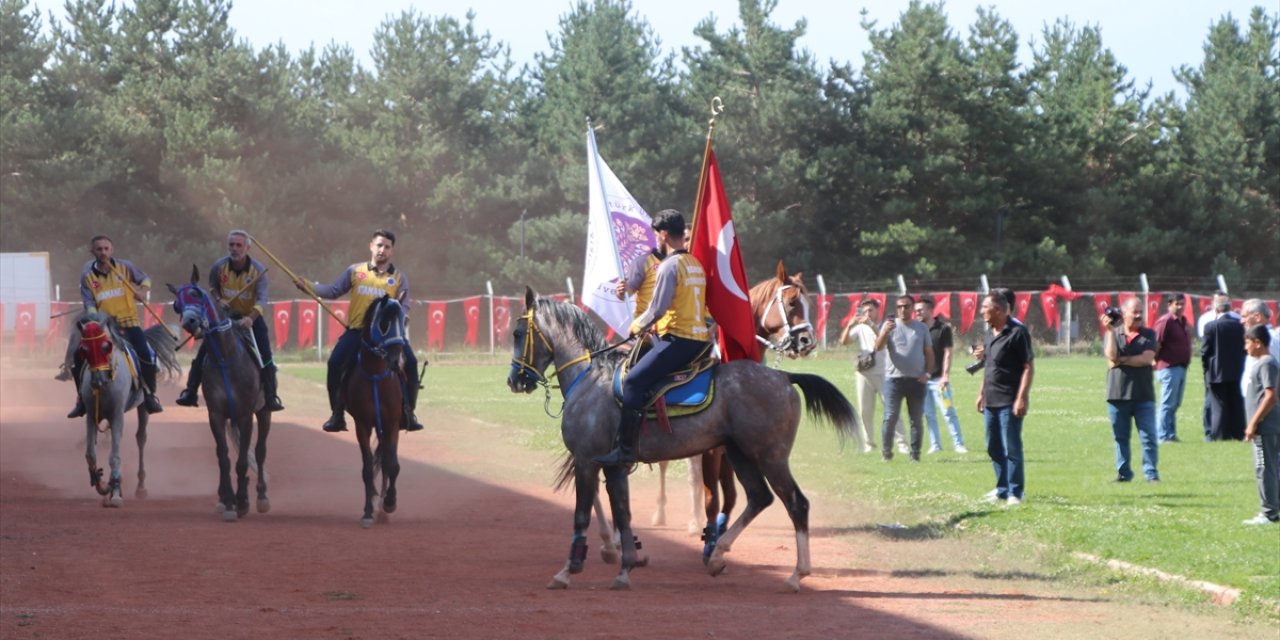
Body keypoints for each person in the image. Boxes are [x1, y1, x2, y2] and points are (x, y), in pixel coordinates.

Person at [596, 209, 709, 467]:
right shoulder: (695, 263)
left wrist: (636, 326)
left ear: (665, 234)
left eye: (657, 233)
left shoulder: (669, 266)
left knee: (633, 381)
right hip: (699, 341)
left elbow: (657, 309)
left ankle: (626, 451)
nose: (655, 238)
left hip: (677, 340)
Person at [293, 229, 423, 433]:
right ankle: (337, 413)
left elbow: (404, 306)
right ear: (371, 246)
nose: (382, 250)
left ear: (392, 252)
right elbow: (332, 290)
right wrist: (307, 285)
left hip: (387, 335)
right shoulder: (355, 271)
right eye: (379, 245)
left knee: (412, 363)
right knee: (334, 363)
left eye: (387, 247)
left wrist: (398, 316)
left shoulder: (398, 278)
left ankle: (408, 412)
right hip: (358, 332)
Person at [176, 230, 285, 411]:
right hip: (224, 319)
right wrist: (219, 300)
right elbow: (212, 287)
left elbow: (262, 299)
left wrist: (250, 318)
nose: (234, 249)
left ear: (247, 248)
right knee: (203, 354)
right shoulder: (219, 266)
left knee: (265, 356)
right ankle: (190, 391)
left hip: (251, 319)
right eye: (231, 245)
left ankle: (271, 397)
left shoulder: (258, 271)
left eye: (238, 245)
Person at [67, 235, 164, 418]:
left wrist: (142, 291)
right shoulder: (87, 275)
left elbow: (146, 280)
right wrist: (96, 318)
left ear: (112, 250)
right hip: (104, 327)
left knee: (145, 354)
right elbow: (89, 304)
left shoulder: (125, 267)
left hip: (129, 323)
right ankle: (81, 399)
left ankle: (150, 395)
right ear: (92, 252)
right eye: (99, 249)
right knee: (78, 356)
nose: (103, 252)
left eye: (106, 249)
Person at [976, 291, 1034, 506]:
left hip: (1009, 400)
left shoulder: (1018, 333)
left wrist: (1021, 398)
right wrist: (981, 393)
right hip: (990, 400)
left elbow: (1028, 367)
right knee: (993, 446)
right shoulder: (990, 333)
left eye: (985, 307)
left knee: (1011, 448)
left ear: (998, 309)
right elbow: (989, 366)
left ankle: (1015, 492)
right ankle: (1002, 488)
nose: (982, 311)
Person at [1102, 298, 1160, 483]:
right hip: (1117, 394)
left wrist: (1122, 360)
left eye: (1140, 312)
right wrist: (1110, 331)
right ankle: (1123, 473)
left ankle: (1151, 474)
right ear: (1123, 313)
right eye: (1134, 312)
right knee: (1120, 437)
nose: (1139, 316)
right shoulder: (1113, 333)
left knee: (1149, 436)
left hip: (1143, 395)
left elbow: (1147, 358)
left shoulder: (1149, 334)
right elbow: (1111, 357)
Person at [874, 294, 934, 462]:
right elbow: (878, 347)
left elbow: (929, 353)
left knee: (916, 419)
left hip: (916, 380)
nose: (902, 309)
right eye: (899, 306)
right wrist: (884, 331)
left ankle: (915, 455)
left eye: (906, 306)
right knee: (890, 416)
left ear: (912, 308)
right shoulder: (889, 326)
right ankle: (886, 453)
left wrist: (927, 373)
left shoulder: (921, 328)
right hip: (894, 380)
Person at [839, 299, 893, 453]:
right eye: (865, 311)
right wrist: (850, 325)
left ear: (878, 311)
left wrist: (871, 325)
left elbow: (882, 341)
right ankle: (870, 443)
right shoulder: (860, 327)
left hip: (884, 372)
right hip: (864, 373)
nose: (868, 314)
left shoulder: (886, 325)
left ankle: (901, 442)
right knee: (865, 410)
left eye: (871, 310)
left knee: (891, 408)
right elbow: (844, 342)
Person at [915, 294, 967, 454]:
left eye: (920, 310)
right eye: (916, 311)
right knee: (929, 414)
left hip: (939, 380)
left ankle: (958, 444)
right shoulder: (916, 330)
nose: (917, 313)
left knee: (947, 412)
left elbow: (948, 352)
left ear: (930, 310)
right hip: (923, 381)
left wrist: (945, 375)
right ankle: (935, 445)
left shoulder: (943, 329)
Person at [1241, 324, 1279, 525]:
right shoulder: (1262, 363)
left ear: (1258, 343)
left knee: (1264, 467)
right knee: (1269, 467)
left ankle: (1268, 512)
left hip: (1264, 427)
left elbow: (1270, 395)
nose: (1245, 347)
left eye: (1247, 342)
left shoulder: (1266, 363)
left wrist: (1253, 423)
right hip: (1264, 426)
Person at [1201, 298, 1246, 441]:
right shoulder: (1239, 326)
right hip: (1237, 370)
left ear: (1216, 309)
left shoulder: (1210, 326)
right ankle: (1238, 432)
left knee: (1219, 404)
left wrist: (1206, 368)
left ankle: (1220, 434)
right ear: (1230, 308)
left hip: (1216, 372)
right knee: (1236, 403)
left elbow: (1205, 351)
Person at [1152, 293, 1191, 443]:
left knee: (1175, 403)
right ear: (1169, 305)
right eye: (1177, 304)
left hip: (1181, 368)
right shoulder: (1165, 322)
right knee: (1167, 403)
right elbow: (1156, 343)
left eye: (1182, 304)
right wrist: (1153, 361)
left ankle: (1171, 434)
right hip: (1168, 367)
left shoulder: (1183, 321)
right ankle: (1162, 435)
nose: (1180, 307)